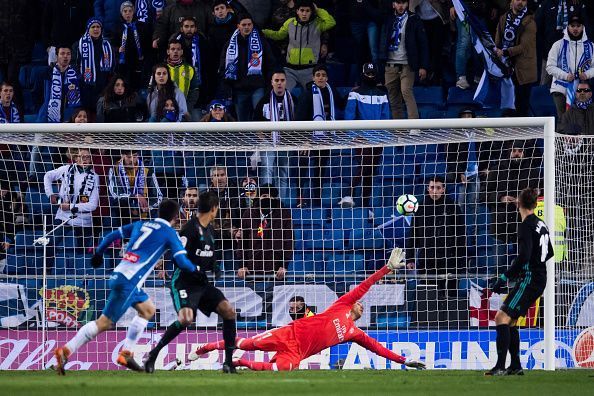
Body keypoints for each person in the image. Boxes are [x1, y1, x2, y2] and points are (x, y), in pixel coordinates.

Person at [189, 247, 426, 371]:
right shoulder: (341, 304)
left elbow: (379, 349)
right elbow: (366, 285)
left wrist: (404, 361)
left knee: (281, 370)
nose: (361, 305)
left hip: (297, 353)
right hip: (287, 333)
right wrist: (386, 269)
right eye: (359, 303)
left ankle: (239, 364)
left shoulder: (354, 333)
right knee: (244, 344)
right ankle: (205, 348)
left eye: (363, 309)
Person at [53, 199, 202, 375]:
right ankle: (66, 351)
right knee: (104, 322)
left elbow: (110, 236)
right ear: (175, 217)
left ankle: (126, 354)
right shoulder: (169, 233)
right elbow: (182, 261)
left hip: (119, 274)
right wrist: (196, 270)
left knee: (147, 309)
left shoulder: (141, 223)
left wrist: (98, 253)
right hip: (129, 281)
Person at [144, 191, 238, 374]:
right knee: (186, 318)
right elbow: (178, 258)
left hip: (202, 282)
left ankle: (228, 363)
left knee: (228, 311)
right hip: (184, 282)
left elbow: (210, 255)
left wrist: (215, 267)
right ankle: (153, 354)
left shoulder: (210, 230)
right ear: (213, 209)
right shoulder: (188, 229)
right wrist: (194, 269)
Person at [485, 188, 554, 376]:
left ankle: (500, 366)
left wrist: (505, 277)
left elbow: (523, 256)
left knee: (501, 318)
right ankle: (515, 366)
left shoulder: (525, 225)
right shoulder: (542, 224)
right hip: (538, 277)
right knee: (511, 321)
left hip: (530, 279)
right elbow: (550, 253)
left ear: (519, 203)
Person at [339, 63, 391, 209]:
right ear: (363, 74)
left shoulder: (382, 94)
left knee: (370, 172)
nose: (370, 76)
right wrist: (354, 137)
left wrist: (384, 139)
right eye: (368, 74)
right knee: (365, 166)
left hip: (378, 140)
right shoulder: (355, 93)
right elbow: (349, 116)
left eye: (372, 74)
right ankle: (348, 193)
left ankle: (365, 205)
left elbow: (385, 117)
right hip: (362, 139)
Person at [405, 175, 466, 295]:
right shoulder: (420, 208)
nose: (435, 191)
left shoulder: (453, 207)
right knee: (428, 298)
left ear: (443, 189)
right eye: (432, 187)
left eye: (438, 188)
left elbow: (461, 235)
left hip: (449, 260)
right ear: (428, 188)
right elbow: (413, 234)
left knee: (449, 297)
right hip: (427, 260)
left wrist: (460, 262)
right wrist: (410, 258)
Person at [263, 0, 336, 90]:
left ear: (311, 12)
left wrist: (318, 10)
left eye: (307, 11)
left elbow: (331, 22)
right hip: (290, 70)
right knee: (281, 92)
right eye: (302, 10)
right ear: (297, 11)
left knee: (312, 97)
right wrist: (262, 32)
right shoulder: (290, 22)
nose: (304, 13)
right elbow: (278, 35)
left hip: (310, 70)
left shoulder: (317, 24)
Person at [295, 64, 342, 208]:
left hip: (325, 138)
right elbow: (299, 118)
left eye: (323, 75)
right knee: (302, 169)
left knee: (320, 170)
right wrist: (304, 141)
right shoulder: (307, 93)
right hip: (307, 139)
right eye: (318, 75)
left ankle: (317, 200)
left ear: (327, 77)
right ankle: (300, 199)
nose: (321, 78)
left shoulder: (331, 91)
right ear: (313, 77)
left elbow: (341, 103)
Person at [220, 13, 275, 121]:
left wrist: (267, 83)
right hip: (239, 89)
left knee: (260, 118)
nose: (247, 27)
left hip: (257, 86)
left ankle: (261, 138)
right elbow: (223, 66)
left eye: (249, 24)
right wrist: (228, 86)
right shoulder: (230, 44)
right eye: (244, 25)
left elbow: (270, 63)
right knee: (242, 121)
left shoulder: (262, 42)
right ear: (238, 26)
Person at [379, 0, 429, 120]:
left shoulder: (414, 19)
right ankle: (399, 132)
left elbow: (423, 43)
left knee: (406, 91)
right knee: (393, 98)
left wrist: (423, 66)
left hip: (407, 64)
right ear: (393, 4)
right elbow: (382, 40)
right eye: (398, 3)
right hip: (390, 64)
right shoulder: (388, 19)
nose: (401, 6)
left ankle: (414, 125)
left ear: (407, 4)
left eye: (403, 3)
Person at [44, 147, 100, 252]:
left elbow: (93, 205)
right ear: (75, 158)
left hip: (84, 220)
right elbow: (48, 176)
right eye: (82, 157)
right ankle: (47, 268)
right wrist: (50, 194)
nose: (85, 160)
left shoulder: (95, 177)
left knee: (82, 252)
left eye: (87, 157)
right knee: (50, 244)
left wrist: (70, 207)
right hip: (63, 217)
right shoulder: (66, 169)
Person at [253, 70, 296, 204]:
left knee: (283, 173)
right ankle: (266, 202)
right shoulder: (264, 100)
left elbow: (299, 119)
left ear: (286, 82)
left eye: (282, 80)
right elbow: (255, 120)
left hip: (286, 140)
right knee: (267, 170)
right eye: (276, 80)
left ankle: (280, 204)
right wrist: (261, 135)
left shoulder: (293, 99)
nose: (279, 83)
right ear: (272, 83)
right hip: (268, 140)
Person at [235, 184, 293, 281]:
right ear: (259, 197)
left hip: (277, 269)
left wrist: (284, 265)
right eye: (264, 196)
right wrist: (242, 265)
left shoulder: (284, 214)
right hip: (251, 268)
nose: (267, 199)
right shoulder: (248, 214)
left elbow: (289, 241)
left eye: (270, 196)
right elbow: (242, 241)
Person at [494, 0, 537, 116]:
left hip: (524, 71)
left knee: (521, 107)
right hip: (506, 67)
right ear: (512, 1)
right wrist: (495, 51)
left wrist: (504, 52)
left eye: (523, 0)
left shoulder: (530, 21)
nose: (520, 2)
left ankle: (521, 133)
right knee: (507, 107)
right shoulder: (504, 18)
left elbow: (523, 47)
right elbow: (498, 40)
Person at [546, 13, 594, 116]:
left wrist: (587, 74)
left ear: (583, 27)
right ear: (568, 27)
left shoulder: (591, 46)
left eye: (578, 26)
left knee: (581, 117)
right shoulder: (558, 45)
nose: (575, 29)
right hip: (560, 87)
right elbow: (549, 67)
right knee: (563, 118)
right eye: (572, 26)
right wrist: (565, 76)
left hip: (581, 89)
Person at [107, 149, 163, 226]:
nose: (132, 160)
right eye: (129, 157)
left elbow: (158, 196)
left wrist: (144, 208)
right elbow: (114, 194)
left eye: (135, 156)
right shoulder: (114, 170)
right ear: (122, 156)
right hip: (121, 214)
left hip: (144, 215)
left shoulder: (147, 170)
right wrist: (134, 197)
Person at [72, 18, 116, 112]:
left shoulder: (107, 45)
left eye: (98, 27)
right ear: (88, 29)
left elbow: (113, 67)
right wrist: (80, 79)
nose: (96, 29)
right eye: (93, 27)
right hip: (85, 86)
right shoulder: (79, 44)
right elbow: (74, 64)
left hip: (103, 87)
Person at [408, 0, 450, 85]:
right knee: (423, 49)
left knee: (437, 50)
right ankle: (423, 76)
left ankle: (436, 77)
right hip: (420, 18)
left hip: (438, 18)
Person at [37, 46, 82, 123]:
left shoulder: (76, 75)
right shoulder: (47, 73)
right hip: (47, 116)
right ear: (57, 56)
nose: (65, 56)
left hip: (69, 117)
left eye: (68, 54)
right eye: (62, 53)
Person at [42, 0, 93, 65]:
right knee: (55, 74)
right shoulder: (52, 2)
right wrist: (47, 45)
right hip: (55, 47)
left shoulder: (84, 3)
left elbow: (88, 23)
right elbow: (45, 24)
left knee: (77, 73)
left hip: (77, 47)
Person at [114, 1, 148, 91]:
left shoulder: (140, 26)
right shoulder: (118, 27)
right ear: (121, 13)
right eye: (125, 11)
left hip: (138, 60)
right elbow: (112, 44)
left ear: (133, 12)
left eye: (130, 11)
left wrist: (144, 54)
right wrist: (118, 49)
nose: (128, 13)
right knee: (125, 84)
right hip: (123, 62)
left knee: (136, 85)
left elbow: (146, 43)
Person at [165, 38, 199, 111]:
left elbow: (194, 91)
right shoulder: (161, 69)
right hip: (164, 108)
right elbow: (152, 89)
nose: (175, 51)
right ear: (168, 51)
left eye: (178, 49)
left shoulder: (190, 69)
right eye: (173, 49)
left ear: (182, 52)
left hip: (183, 109)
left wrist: (187, 107)